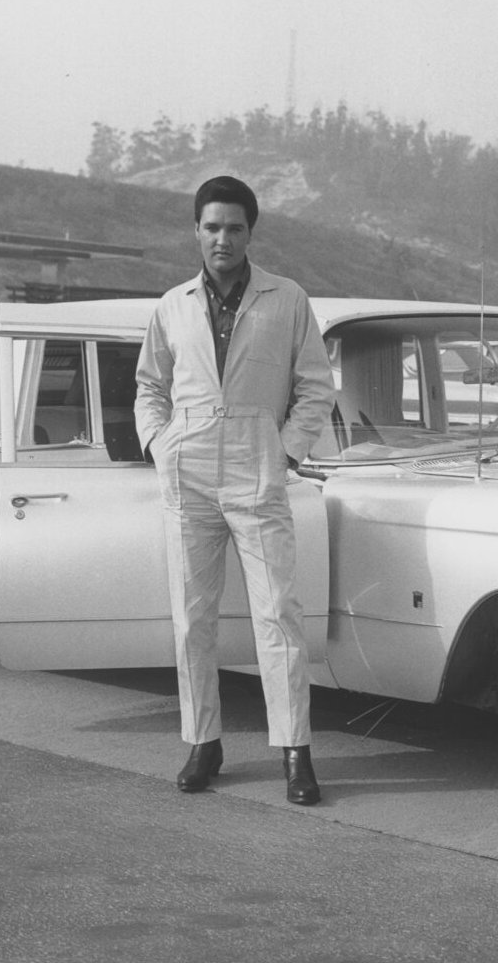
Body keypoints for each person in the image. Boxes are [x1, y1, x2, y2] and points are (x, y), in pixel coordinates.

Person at [134, 175, 335, 806]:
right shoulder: (171, 306)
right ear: (196, 231)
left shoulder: (287, 299)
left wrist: (283, 450)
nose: (223, 239)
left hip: (256, 461)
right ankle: (203, 742)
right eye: (212, 227)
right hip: (187, 468)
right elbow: (149, 387)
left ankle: (295, 752)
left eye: (236, 228)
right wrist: (158, 445)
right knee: (192, 616)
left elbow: (315, 387)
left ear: (252, 233)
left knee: (277, 611)